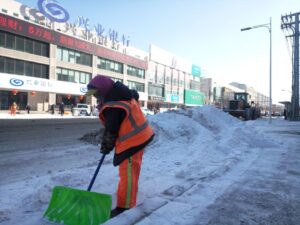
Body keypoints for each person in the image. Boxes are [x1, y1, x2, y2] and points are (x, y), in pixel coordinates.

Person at [85, 74, 154, 218]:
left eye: (97, 93)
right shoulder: (121, 95)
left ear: (103, 89)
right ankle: (130, 193)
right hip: (140, 136)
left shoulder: (114, 105)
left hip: (133, 140)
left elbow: (111, 129)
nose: (96, 97)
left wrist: (106, 145)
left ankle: (125, 206)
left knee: (127, 173)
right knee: (131, 170)